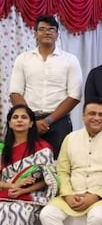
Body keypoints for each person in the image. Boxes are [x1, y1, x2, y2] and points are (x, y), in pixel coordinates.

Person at [0, 105, 58, 225]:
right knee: (2, 212)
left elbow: (47, 179)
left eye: (24, 117)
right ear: (9, 122)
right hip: (6, 194)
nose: (19, 120)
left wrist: (25, 188)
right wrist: (12, 187)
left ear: (31, 122)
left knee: (18, 212)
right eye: (15, 117)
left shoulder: (43, 148)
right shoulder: (2, 149)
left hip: (33, 196)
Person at [9, 15, 82, 157]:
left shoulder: (70, 60)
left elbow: (75, 96)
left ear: (57, 34)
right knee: (24, 164)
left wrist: (48, 120)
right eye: (42, 29)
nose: (47, 32)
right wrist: (30, 119)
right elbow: (15, 92)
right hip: (28, 122)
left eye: (51, 29)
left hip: (58, 122)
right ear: (35, 33)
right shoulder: (23, 59)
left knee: (57, 165)